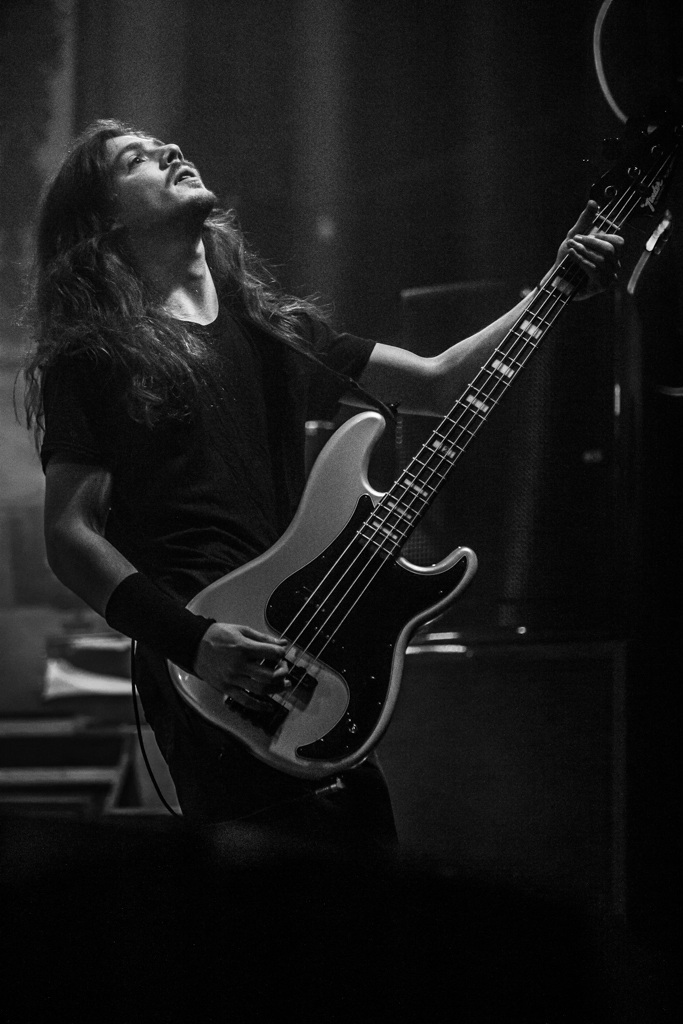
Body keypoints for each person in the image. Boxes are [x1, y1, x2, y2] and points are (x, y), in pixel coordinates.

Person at [24, 119, 623, 851]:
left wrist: (554, 286)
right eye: (135, 160)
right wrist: (194, 641)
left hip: (307, 646)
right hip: (208, 665)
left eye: (162, 145)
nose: (171, 151)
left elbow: (436, 382)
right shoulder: (94, 357)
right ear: (107, 222)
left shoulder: (277, 333)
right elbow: (70, 534)